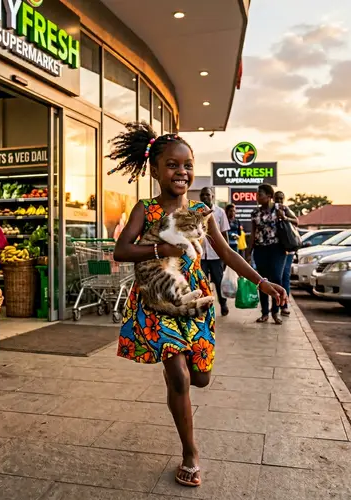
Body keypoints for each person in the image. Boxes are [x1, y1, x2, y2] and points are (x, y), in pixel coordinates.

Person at [109, 122, 286, 489]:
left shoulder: (203, 211)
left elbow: (226, 252)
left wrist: (261, 281)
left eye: (187, 164)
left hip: (196, 303)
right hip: (158, 303)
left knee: (200, 378)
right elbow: (122, 250)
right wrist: (160, 249)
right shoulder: (145, 209)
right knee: (180, 377)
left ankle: (181, 376)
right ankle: (190, 453)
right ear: (155, 170)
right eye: (172, 165)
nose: (182, 172)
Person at [247, 184, 295, 325]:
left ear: (269, 196)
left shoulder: (281, 208)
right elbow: (253, 234)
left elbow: (296, 221)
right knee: (262, 281)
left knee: (276, 279)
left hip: (277, 249)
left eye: (260, 194)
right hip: (260, 249)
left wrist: (285, 217)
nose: (257, 196)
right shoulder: (255, 213)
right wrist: (248, 253)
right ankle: (264, 313)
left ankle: (276, 311)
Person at [199, 187, 230, 316]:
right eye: (202, 195)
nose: (205, 197)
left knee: (218, 281)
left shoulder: (220, 212)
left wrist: (226, 254)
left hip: (216, 255)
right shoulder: (195, 211)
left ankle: (223, 304)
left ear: (212, 197)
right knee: (202, 283)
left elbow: (224, 233)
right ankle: (205, 307)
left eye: (207, 195)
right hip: (201, 256)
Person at [274, 190, 299, 316]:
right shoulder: (270, 210)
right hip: (275, 249)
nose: (278, 201)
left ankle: (284, 305)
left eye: (280, 199)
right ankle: (275, 306)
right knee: (275, 278)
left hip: (287, 249)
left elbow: (296, 221)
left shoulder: (285, 209)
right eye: (276, 199)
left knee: (284, 277)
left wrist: (284, 217)